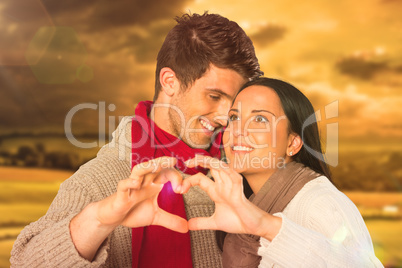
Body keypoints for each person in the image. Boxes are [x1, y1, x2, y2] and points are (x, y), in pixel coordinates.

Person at [10, 13, 263, 267]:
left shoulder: (244, 176)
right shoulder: (98, 183)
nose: (224, 117)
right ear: (170, 82)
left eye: (233, 105)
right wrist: (99, 220)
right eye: (214, 96)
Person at [182, 77, 384, 267]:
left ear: (293, 143)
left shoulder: (319, 202)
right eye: (234, 117)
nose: (238, 130)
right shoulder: (242, 204)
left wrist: (267, 226)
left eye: (260, 119)